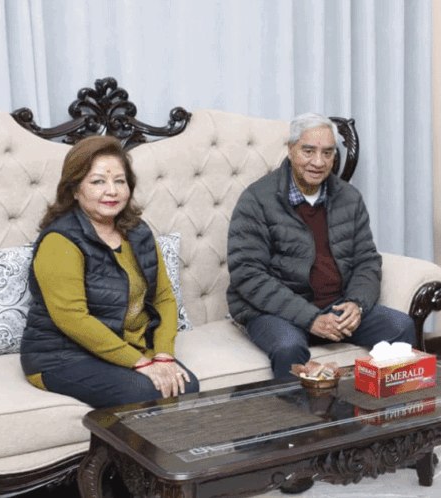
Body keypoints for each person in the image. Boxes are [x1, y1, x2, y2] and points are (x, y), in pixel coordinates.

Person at [227, 113, 415, 384]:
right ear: (290, 150)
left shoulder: (349, 198)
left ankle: (387, 409)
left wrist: (357, 304)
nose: (318, 162)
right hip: (276, 313)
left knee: (400, 326)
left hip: (336, 307)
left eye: (327, 153)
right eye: (308, 151)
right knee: (288, 348)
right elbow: (247, 274)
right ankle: (301, 414)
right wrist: (310, 318)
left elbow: (367, 261)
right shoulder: (256, 199)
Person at [21, 136, 199, 408]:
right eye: (98, 182)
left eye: (119, 181)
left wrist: (164, 355)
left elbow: (163, 297)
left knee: (186, 385)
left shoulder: (138, 232)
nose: (112, 191)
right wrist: (139, 363)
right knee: (146, 392)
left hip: (129, 346)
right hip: (62, 356)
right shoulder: (59, 241)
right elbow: (73, 319)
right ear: (74, 190)